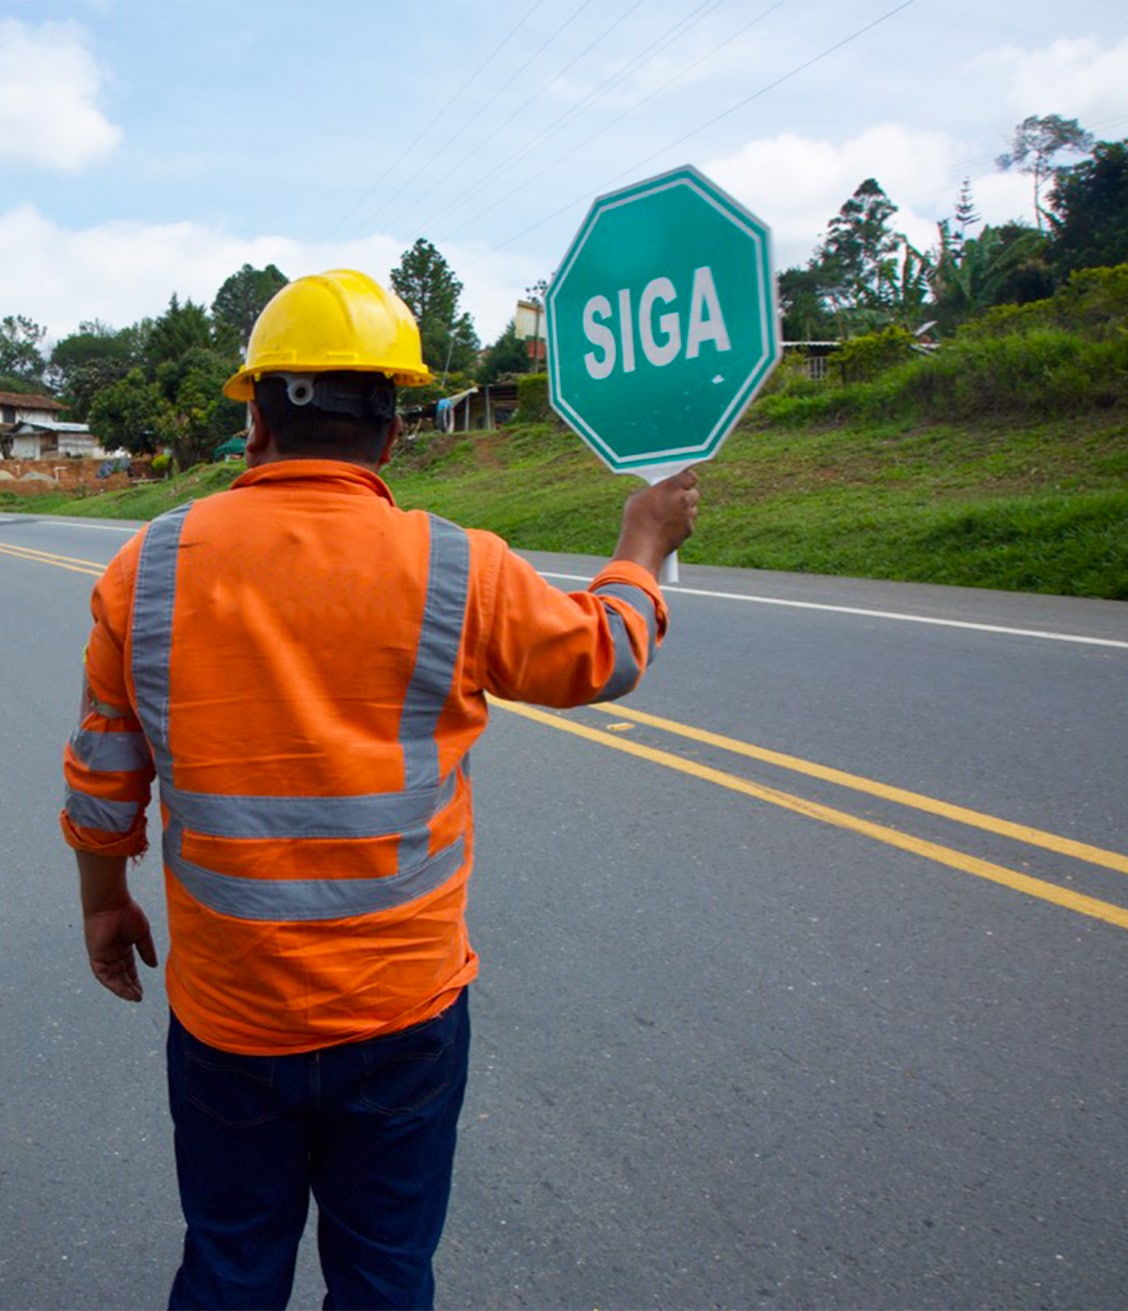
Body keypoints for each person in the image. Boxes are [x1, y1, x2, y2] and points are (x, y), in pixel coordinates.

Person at [60, 269, 698, 1309]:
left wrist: (100, 905)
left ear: (256, 420)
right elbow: (601, 657)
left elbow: (101, 789)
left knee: (228, 1268)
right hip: (401, 1012)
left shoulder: (150, 565)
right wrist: (638, 547)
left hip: (229, 1016)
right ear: (392, 432)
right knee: (384, 1277)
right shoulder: (460, 567)